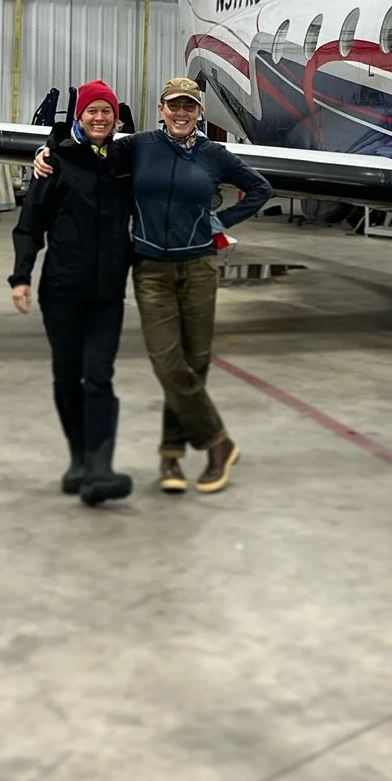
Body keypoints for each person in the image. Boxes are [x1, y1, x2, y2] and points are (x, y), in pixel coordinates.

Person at [128, 76, 271, 496]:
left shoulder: (214, 155)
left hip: (198, 267)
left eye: (189, 106)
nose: (181, 112)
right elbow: (90, 150)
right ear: (160, 108)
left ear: (200, 112)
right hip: (151, 267)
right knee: (167, 362)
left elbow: (261, 189)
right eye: (174, 105)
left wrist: (220, 223)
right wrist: (49, 150)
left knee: (195, 362)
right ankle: (218, 442)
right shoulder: (139, 147)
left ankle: (171, 454)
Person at [8, 78, 134, 506]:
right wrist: (21, 276)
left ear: (117, 118)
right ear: (78, 116)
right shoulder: (55, 163)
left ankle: (99, 468)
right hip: (61, 289)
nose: (99, 118)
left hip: (107, 292)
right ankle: (78, 459)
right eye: (91, 111)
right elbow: (31, 223)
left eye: (107, 111)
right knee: (67, 377)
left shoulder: (124, 159)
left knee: (98, 377)